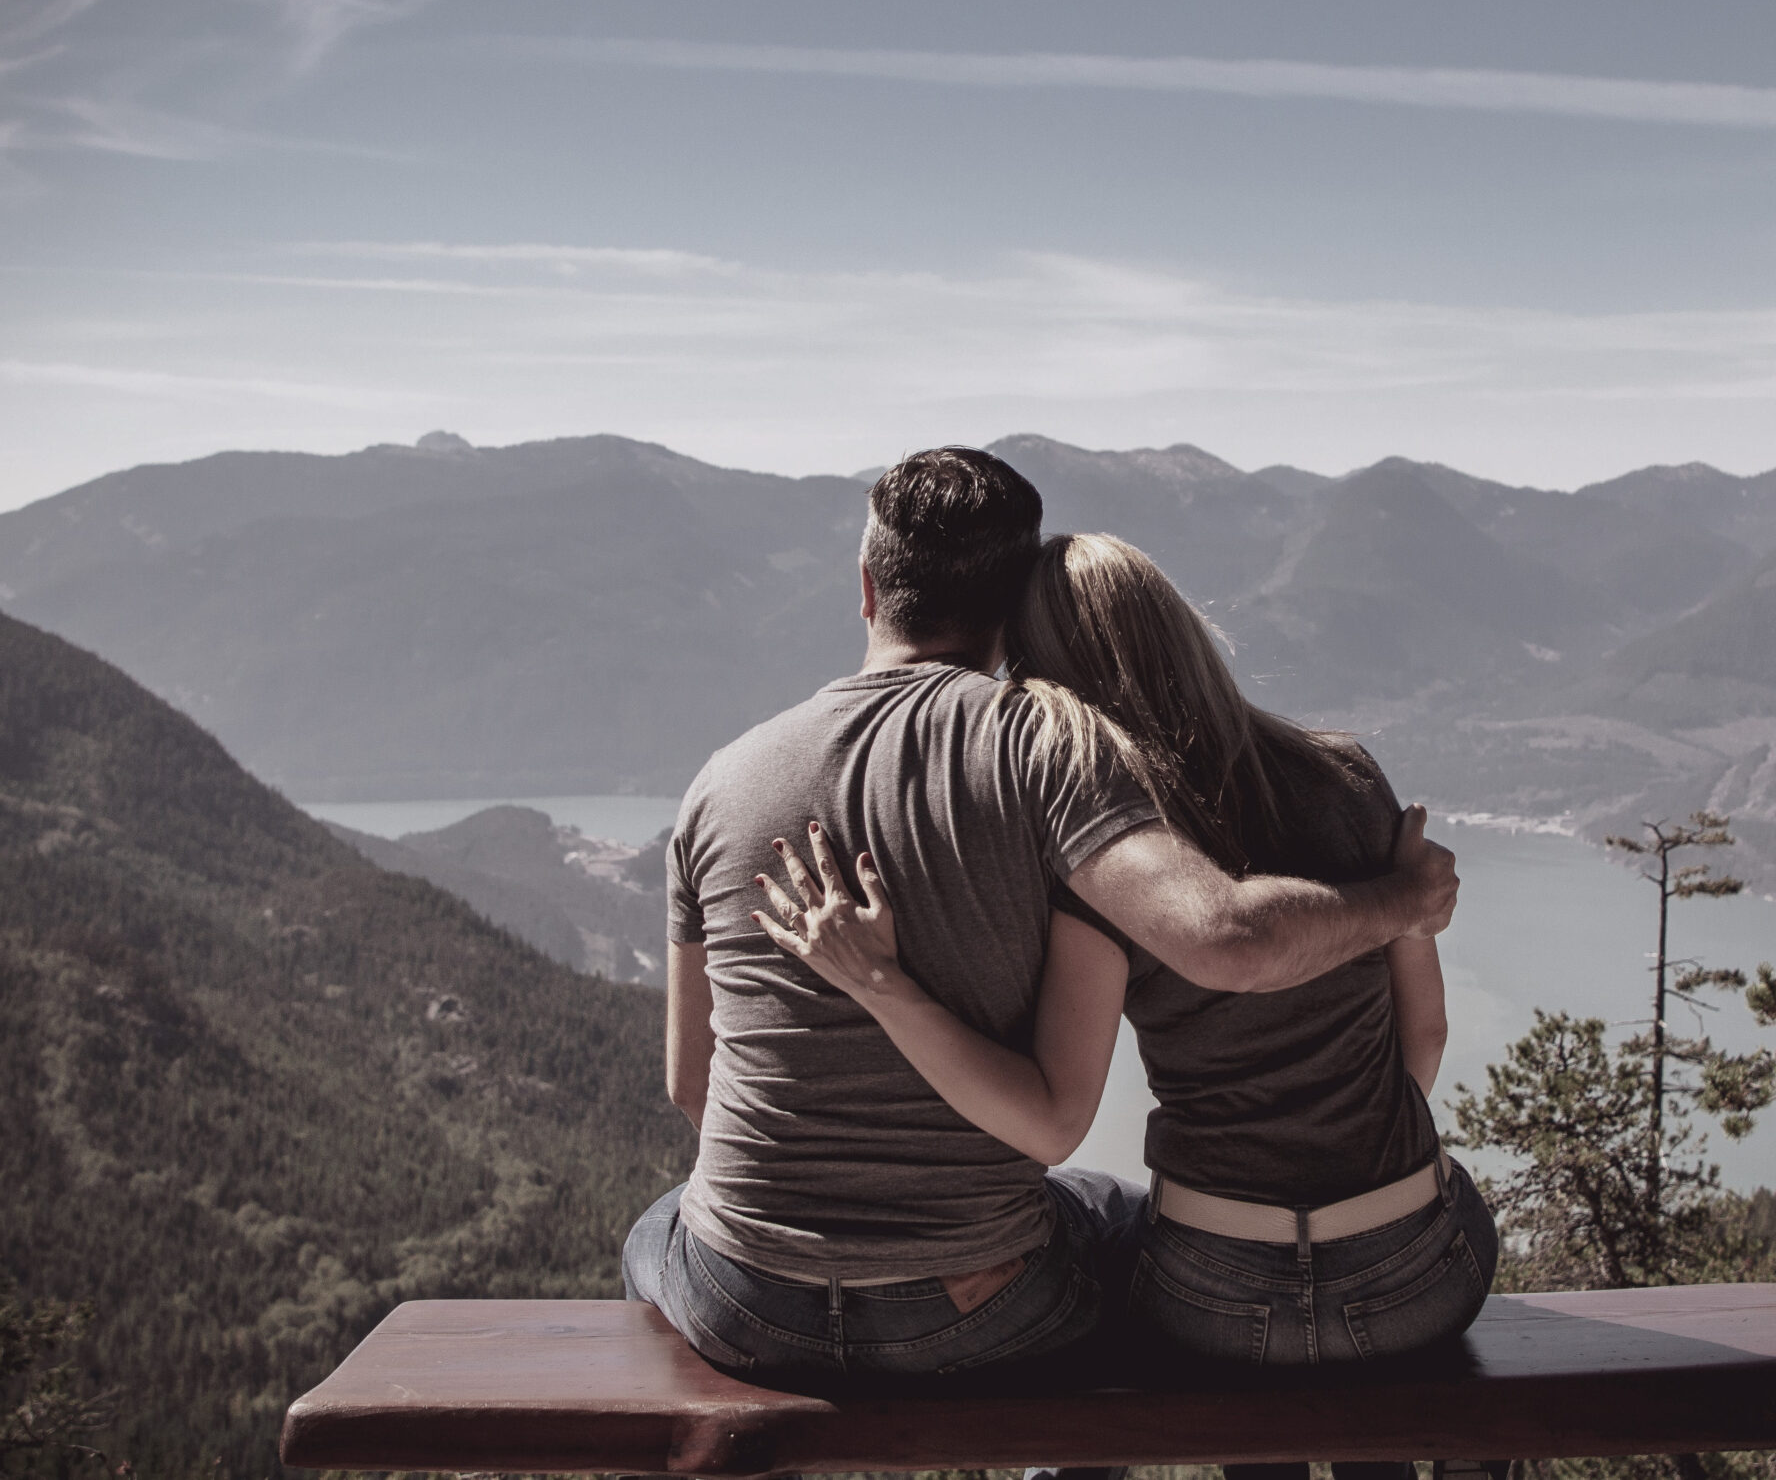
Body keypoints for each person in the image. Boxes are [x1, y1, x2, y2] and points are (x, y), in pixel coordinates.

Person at [624, 452, 1459, 1379]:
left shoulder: (718, 782)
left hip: (746, 1299)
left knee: (656, 1230)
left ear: (866, 587)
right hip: (978, 1303)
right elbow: (1222, 945)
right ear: (1013, 606)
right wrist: (1402, 902)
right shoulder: (1049, 753)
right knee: (1109, 1217)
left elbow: (693, 1088)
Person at [759, 531, 1497, 1474]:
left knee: (1116, 1261)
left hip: (1218, 1282)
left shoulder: (1112, 863)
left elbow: (1057, 1102)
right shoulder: (1348, 778)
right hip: (1413, 1270)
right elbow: (1422, 1037)